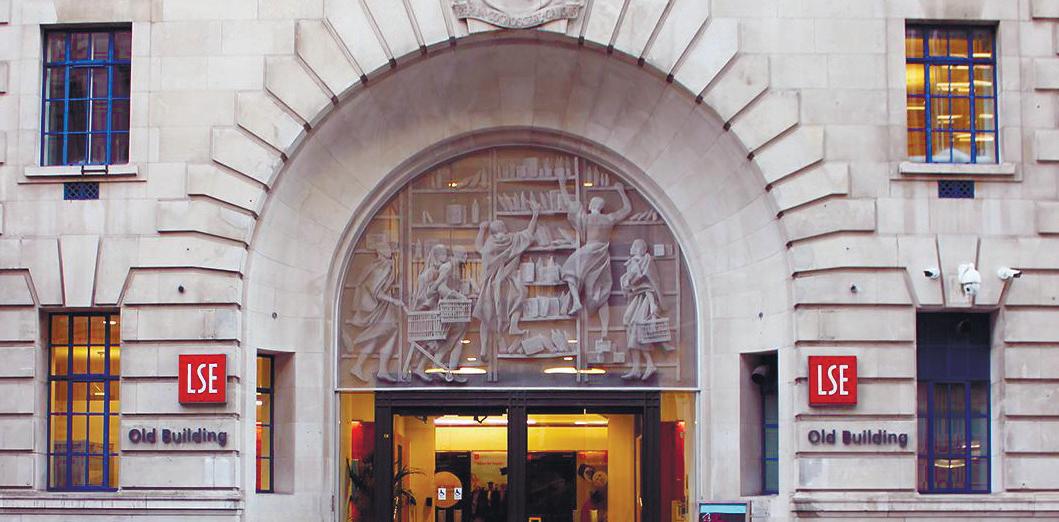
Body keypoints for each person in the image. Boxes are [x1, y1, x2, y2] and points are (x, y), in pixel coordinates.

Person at [558, 172, 631, 337]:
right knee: (602, 292)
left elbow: (568, 204)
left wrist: (562, 184)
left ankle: (576, 301)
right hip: (602, 254)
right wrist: (621, 191)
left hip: (589, 251)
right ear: (602, 207)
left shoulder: (586, 219)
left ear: (591, 206)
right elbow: (627, 210)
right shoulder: (609, 219)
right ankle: (604, 329)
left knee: (568, 271)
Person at [473, 202, 541, 360]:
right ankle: (510, 331)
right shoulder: (513, 239)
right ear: (504, 229)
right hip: (508, 284)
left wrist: (481, 230)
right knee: (515, 304)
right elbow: (529, 233)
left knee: (486, 316)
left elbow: (478, 248)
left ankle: (484, 347)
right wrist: (535, 214)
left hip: (490, 286)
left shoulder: (490, 243)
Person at [343, 242, 403, 383]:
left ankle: (368, 367)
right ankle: (365, 364)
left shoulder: (381, 266)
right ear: (380, 251)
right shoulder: (384, 267)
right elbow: (377, 292)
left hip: (383, 309)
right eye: (386, 248)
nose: (390, 250)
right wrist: (394, 300)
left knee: (382, 335)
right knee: (383, 333)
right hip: (380, 309)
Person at [620, 239, 668, 380]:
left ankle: (648, 365)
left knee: (639, 332)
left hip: (647, 299)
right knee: (631, 328)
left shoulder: (646, 262)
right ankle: (638, 367)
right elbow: (630, 282)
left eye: (635, 246)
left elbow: (651, 285)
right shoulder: (634, 262)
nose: (632, 248)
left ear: (641, 249)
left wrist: (653, 304)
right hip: (638, 298)